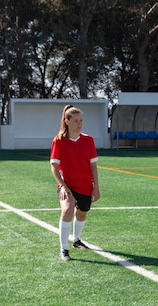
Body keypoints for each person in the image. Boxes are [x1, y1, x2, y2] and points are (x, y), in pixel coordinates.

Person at [50, 105, 100, 262]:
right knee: (67, 210)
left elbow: (93, 165)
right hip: (67, 185)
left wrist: (96, 187)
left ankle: (76, 240)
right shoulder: (58, 141)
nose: (79, 124)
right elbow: (54, 166)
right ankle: (63, 249)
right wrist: (63, 186)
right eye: (76, 121)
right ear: (67, 121)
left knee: (82, 212)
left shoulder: (88, 140)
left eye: (81, 120)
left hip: (85, 184)